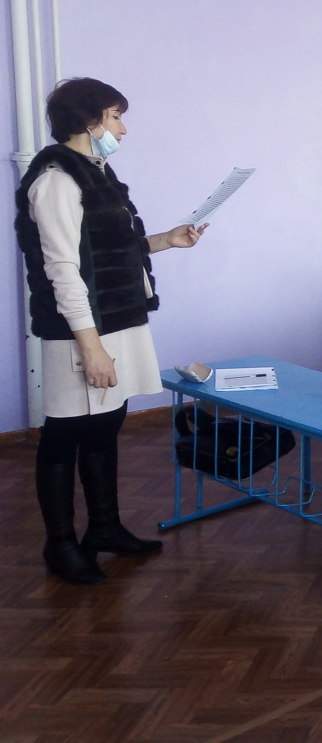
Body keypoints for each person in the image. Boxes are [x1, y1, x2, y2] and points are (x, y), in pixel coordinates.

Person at [15, 78, 208, 585]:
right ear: (89, 121)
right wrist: (92, 348)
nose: (123, 128)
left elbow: (108, 248)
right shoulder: (56, 181)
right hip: (81, 330)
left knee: (105, 426)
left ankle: (104, 528)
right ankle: (60, 545)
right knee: (65, 434)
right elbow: (63, 270)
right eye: (116, 116)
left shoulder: (96, 172)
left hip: (119, 320)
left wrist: (165, 239)